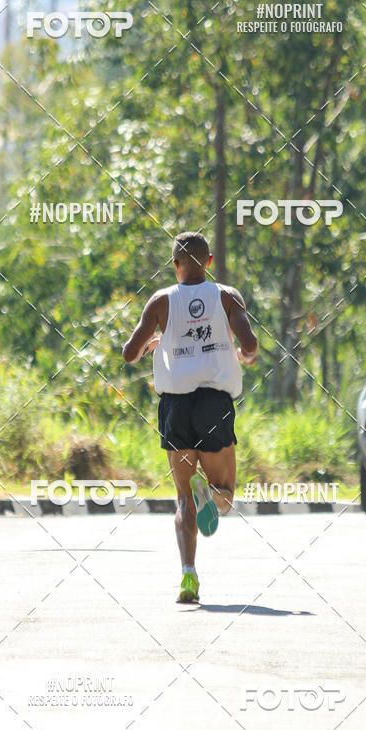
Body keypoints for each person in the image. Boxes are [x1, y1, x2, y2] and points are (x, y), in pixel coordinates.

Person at [122, 231, 258, 603]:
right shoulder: (227, 297)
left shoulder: (161, 301)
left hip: (175, 407)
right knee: (226, 496)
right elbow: (250, 346)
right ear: (209, 262)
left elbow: (129, 353)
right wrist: (243, 357)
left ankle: (188, 576)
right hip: (214, 403)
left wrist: (155, 342)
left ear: (175, 265)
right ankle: (211, 494)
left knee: (183, 499)